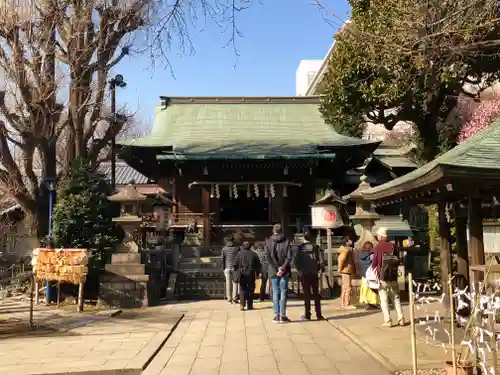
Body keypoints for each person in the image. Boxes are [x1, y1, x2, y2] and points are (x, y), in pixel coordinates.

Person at [372, 227, 405, 327]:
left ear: (381, 236)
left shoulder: (378, 247)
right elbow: (398, 258)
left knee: (383, 298)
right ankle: (401, 318)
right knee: (396, 297)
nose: (377, 237)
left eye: (378, 235)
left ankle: (388, 320)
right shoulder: (393, 246)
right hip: (393, 275)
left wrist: (375, 269)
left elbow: (375, 262)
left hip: (382, 276)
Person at [294, 229, 325, 321]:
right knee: (316, 294)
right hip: (314, 273)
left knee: (306, 295)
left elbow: (296, 261)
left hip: (304, 274)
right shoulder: (316, 247)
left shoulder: (300, 248)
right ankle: (319, 315)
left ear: (304, 237)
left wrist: (299, 270)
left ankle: (307, 315)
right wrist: (319, 268)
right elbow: (322, 261)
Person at [266, 223, 293, 323]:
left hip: (273, 270)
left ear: (273, 231)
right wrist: (282, 268)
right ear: (282, 231)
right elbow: (289, 257)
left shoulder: (269, 242)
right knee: (283, 291)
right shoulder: (287, 241)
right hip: (284, 271)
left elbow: (268, 257)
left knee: (275, 291)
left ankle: (276, 315)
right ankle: (283, 315)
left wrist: (276, 268)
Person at [234, 241, 261, 311]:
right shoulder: (254, 254)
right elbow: (258, 266)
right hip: (251, 273)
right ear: (250, 246)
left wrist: (237, 272)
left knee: (242, 289)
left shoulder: (239, 254)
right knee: (250, 290)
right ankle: (250, 305)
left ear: (243, 246)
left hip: (242, 273)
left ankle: (242, 305)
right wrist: (257, 274)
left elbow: (235, 265)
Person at [357, 241, 379, 309]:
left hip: (364, 275)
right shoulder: (371, 255)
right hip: (370, 275)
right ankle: (373, 303)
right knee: (372, 289)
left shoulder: (360, 254)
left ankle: (367, 303)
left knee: (365, 289)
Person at [338, 236, 356, 309]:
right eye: (349, 240)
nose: (351, 241)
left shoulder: (345, 249)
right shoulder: (346, 250)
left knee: (344, 287)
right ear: (346, 242)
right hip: (346, 270)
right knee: (347, 287)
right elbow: (342, 259)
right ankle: (346, 304)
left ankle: (343, 303)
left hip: (345, 270)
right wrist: (340, 268)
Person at [221, 234, 240, 304]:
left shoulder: (224, 248)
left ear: (226, 240)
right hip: (235, 267)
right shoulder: (237, 248)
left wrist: (223, 268)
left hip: (227, 267)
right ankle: (235, 298)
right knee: (235, 283)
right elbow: (239, 258)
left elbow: (222, 259)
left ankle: (229, 299)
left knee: (228, 283)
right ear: (233, 240)